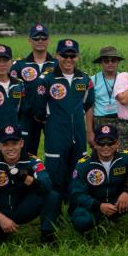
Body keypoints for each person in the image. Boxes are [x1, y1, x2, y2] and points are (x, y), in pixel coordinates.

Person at [34, 39, 94, 233]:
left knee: (77, 174)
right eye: (65, 55)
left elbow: (87, 105)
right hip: (56, 135)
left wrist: (88, 130)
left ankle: (76, 212)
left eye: (72, 55)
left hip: (78, 134)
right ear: (57, 55)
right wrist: (54, 125)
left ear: (77, 56)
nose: (69, 59)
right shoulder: (47, 79)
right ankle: (52, 218)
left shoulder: (84, 79)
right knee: (54, 176)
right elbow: (38, 110)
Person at [0, 123, 58, 246]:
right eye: (5, 144)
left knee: (52, 195)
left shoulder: (32, 162)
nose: (10, 148)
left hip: (23, 208)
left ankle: (47, 236)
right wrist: (2, 219)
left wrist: (26, 178)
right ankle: (1, 231)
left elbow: (47, 185)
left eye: (14, 143)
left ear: (21, 143)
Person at [69, 124, 128, 238]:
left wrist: (127, 192)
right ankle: (93, 229)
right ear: (95, 144)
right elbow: (76, 193)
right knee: (81, 222)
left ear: (117, 144)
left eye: (110, 142)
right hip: (95, 205)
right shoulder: (83, 164)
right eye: (101, 142)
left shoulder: (126, 157)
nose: (106, 146)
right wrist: (99, 205)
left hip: (117, 203)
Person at [11, 23, 56, 155]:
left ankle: (50, 175)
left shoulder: (58, 64)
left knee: (55, 152)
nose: (40, 41)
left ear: (48, 40)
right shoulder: (19, 65)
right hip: (27, 117)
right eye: (36, 38)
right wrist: (29, 110)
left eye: (43, 38)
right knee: (26, 153)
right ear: (30, 40)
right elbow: (13, 93)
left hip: (52, 116)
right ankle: (28, 176)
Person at [90, 46, 123, 136]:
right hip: (100, 120)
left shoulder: (123, 78)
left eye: (113, 60)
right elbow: (90, 106)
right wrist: (90, 130)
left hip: (120, 119)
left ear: (117, 62)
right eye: (106, 61)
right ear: (101, 62)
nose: (110, 63)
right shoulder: (93, 80)